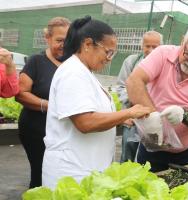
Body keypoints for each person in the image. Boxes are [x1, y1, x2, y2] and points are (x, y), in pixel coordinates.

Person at [41, 16, 151, 189]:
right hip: (72, 173)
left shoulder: (85, 72)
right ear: (87, 44)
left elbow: (90, 110)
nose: (109, 58)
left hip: (86, 169)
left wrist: (119, 119)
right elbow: (85, 122)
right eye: (108, 52)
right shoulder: (73, 73)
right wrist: (128, 112)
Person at [126, 24, 188, 172]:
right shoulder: (163, 54)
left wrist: (185, 114)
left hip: (187, 151)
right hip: (151, 143)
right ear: (183, 41)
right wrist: (152, 115)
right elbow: (134, 81)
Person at [15, 17, 70, 188]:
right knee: (41, 172)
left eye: (68, 41)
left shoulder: (71, 63)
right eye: (59, 40)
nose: (64, 45)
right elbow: (21, 94)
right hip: (36, 129)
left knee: (60, 175)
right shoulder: (36, 62)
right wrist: (50, 106)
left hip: (62, 130)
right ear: (47, 38)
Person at [117, 30, 163, 163]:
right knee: (128, 150)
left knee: (150, 153)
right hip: (132, 117)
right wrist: (132, 101)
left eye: (155, 47)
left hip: (152, 118)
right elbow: (121, 86)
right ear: (142, 46)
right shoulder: (131, 61)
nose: (150, 50)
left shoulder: (163, 65)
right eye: (147, 46)